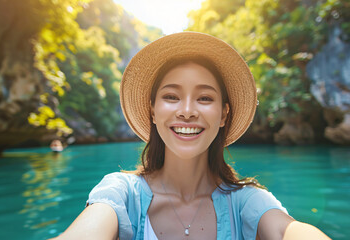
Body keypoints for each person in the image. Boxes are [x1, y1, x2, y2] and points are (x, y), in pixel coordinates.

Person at [52, 32, 330, 240]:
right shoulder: (121, 194)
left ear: (223, 114)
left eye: (204, 98)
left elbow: (290, 230)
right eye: (171, 96)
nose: (186, 111)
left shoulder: (247, 202)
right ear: (152, 110)